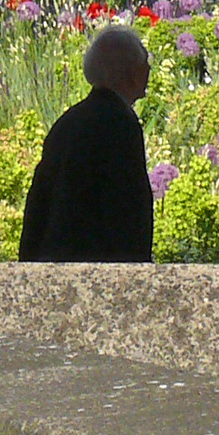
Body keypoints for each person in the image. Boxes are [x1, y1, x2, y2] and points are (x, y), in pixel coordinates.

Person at [20, 27, 156, 263]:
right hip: (98, 265)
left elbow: (39, 204)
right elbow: (128, 208)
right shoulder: (120, 123)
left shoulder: (68, 122)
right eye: (145, 62)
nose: (149, 69)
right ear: (131, 72)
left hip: (53, 260)